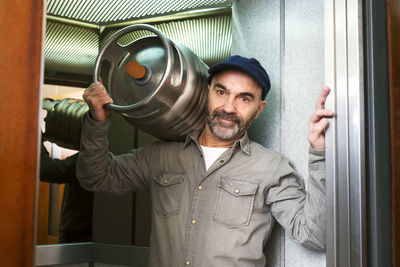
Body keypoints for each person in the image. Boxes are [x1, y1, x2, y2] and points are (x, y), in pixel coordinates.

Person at [76, 55, 334, 266]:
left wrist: (319, 153)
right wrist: (97, 120)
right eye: (221, 92)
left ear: (259, 108)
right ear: (207, 92)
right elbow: (95, 177)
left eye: (244, 98)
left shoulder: (272, 168)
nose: (229, 107)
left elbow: (313, 235)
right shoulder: (160, 157)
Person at [40, 136, 93, 243]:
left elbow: (47, 170)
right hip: (93, 236)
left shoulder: (94, 157)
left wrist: (35, 136)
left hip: (77, 236)